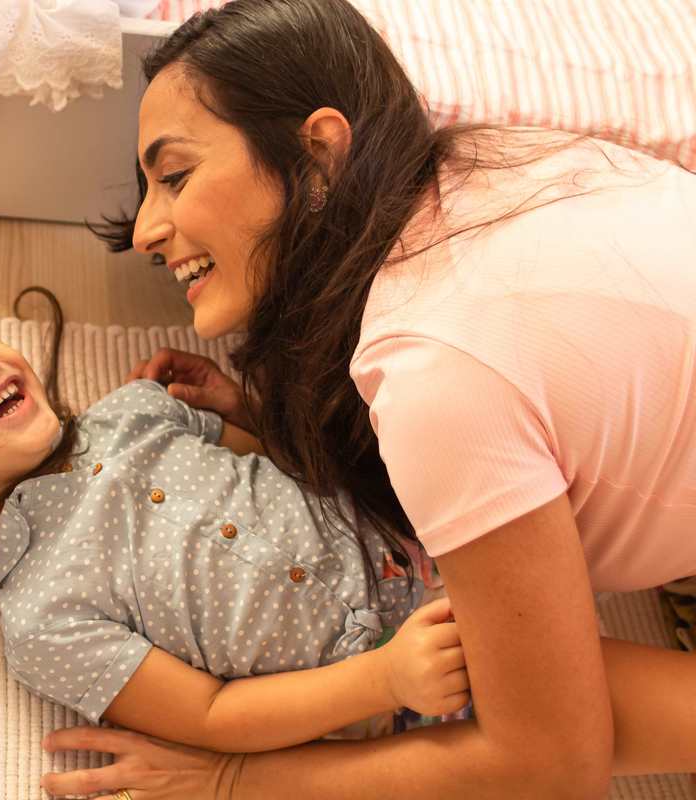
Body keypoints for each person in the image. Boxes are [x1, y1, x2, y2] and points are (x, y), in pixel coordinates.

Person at [41, 0, 696, 796]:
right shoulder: (494, 158)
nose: (147, 230)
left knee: (501, 671)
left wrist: (234, 781)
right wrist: (266, 421)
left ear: (319, 151)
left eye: (175, 177)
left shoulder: (434, 370)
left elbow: (553, 764)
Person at [0, 285, 473, 755]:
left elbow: (296, 468)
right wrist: (382, 678)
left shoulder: (137, 409)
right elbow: (212, 716)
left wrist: (241, 406)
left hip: (433, 532)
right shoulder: (41, 619)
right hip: (398, 705)